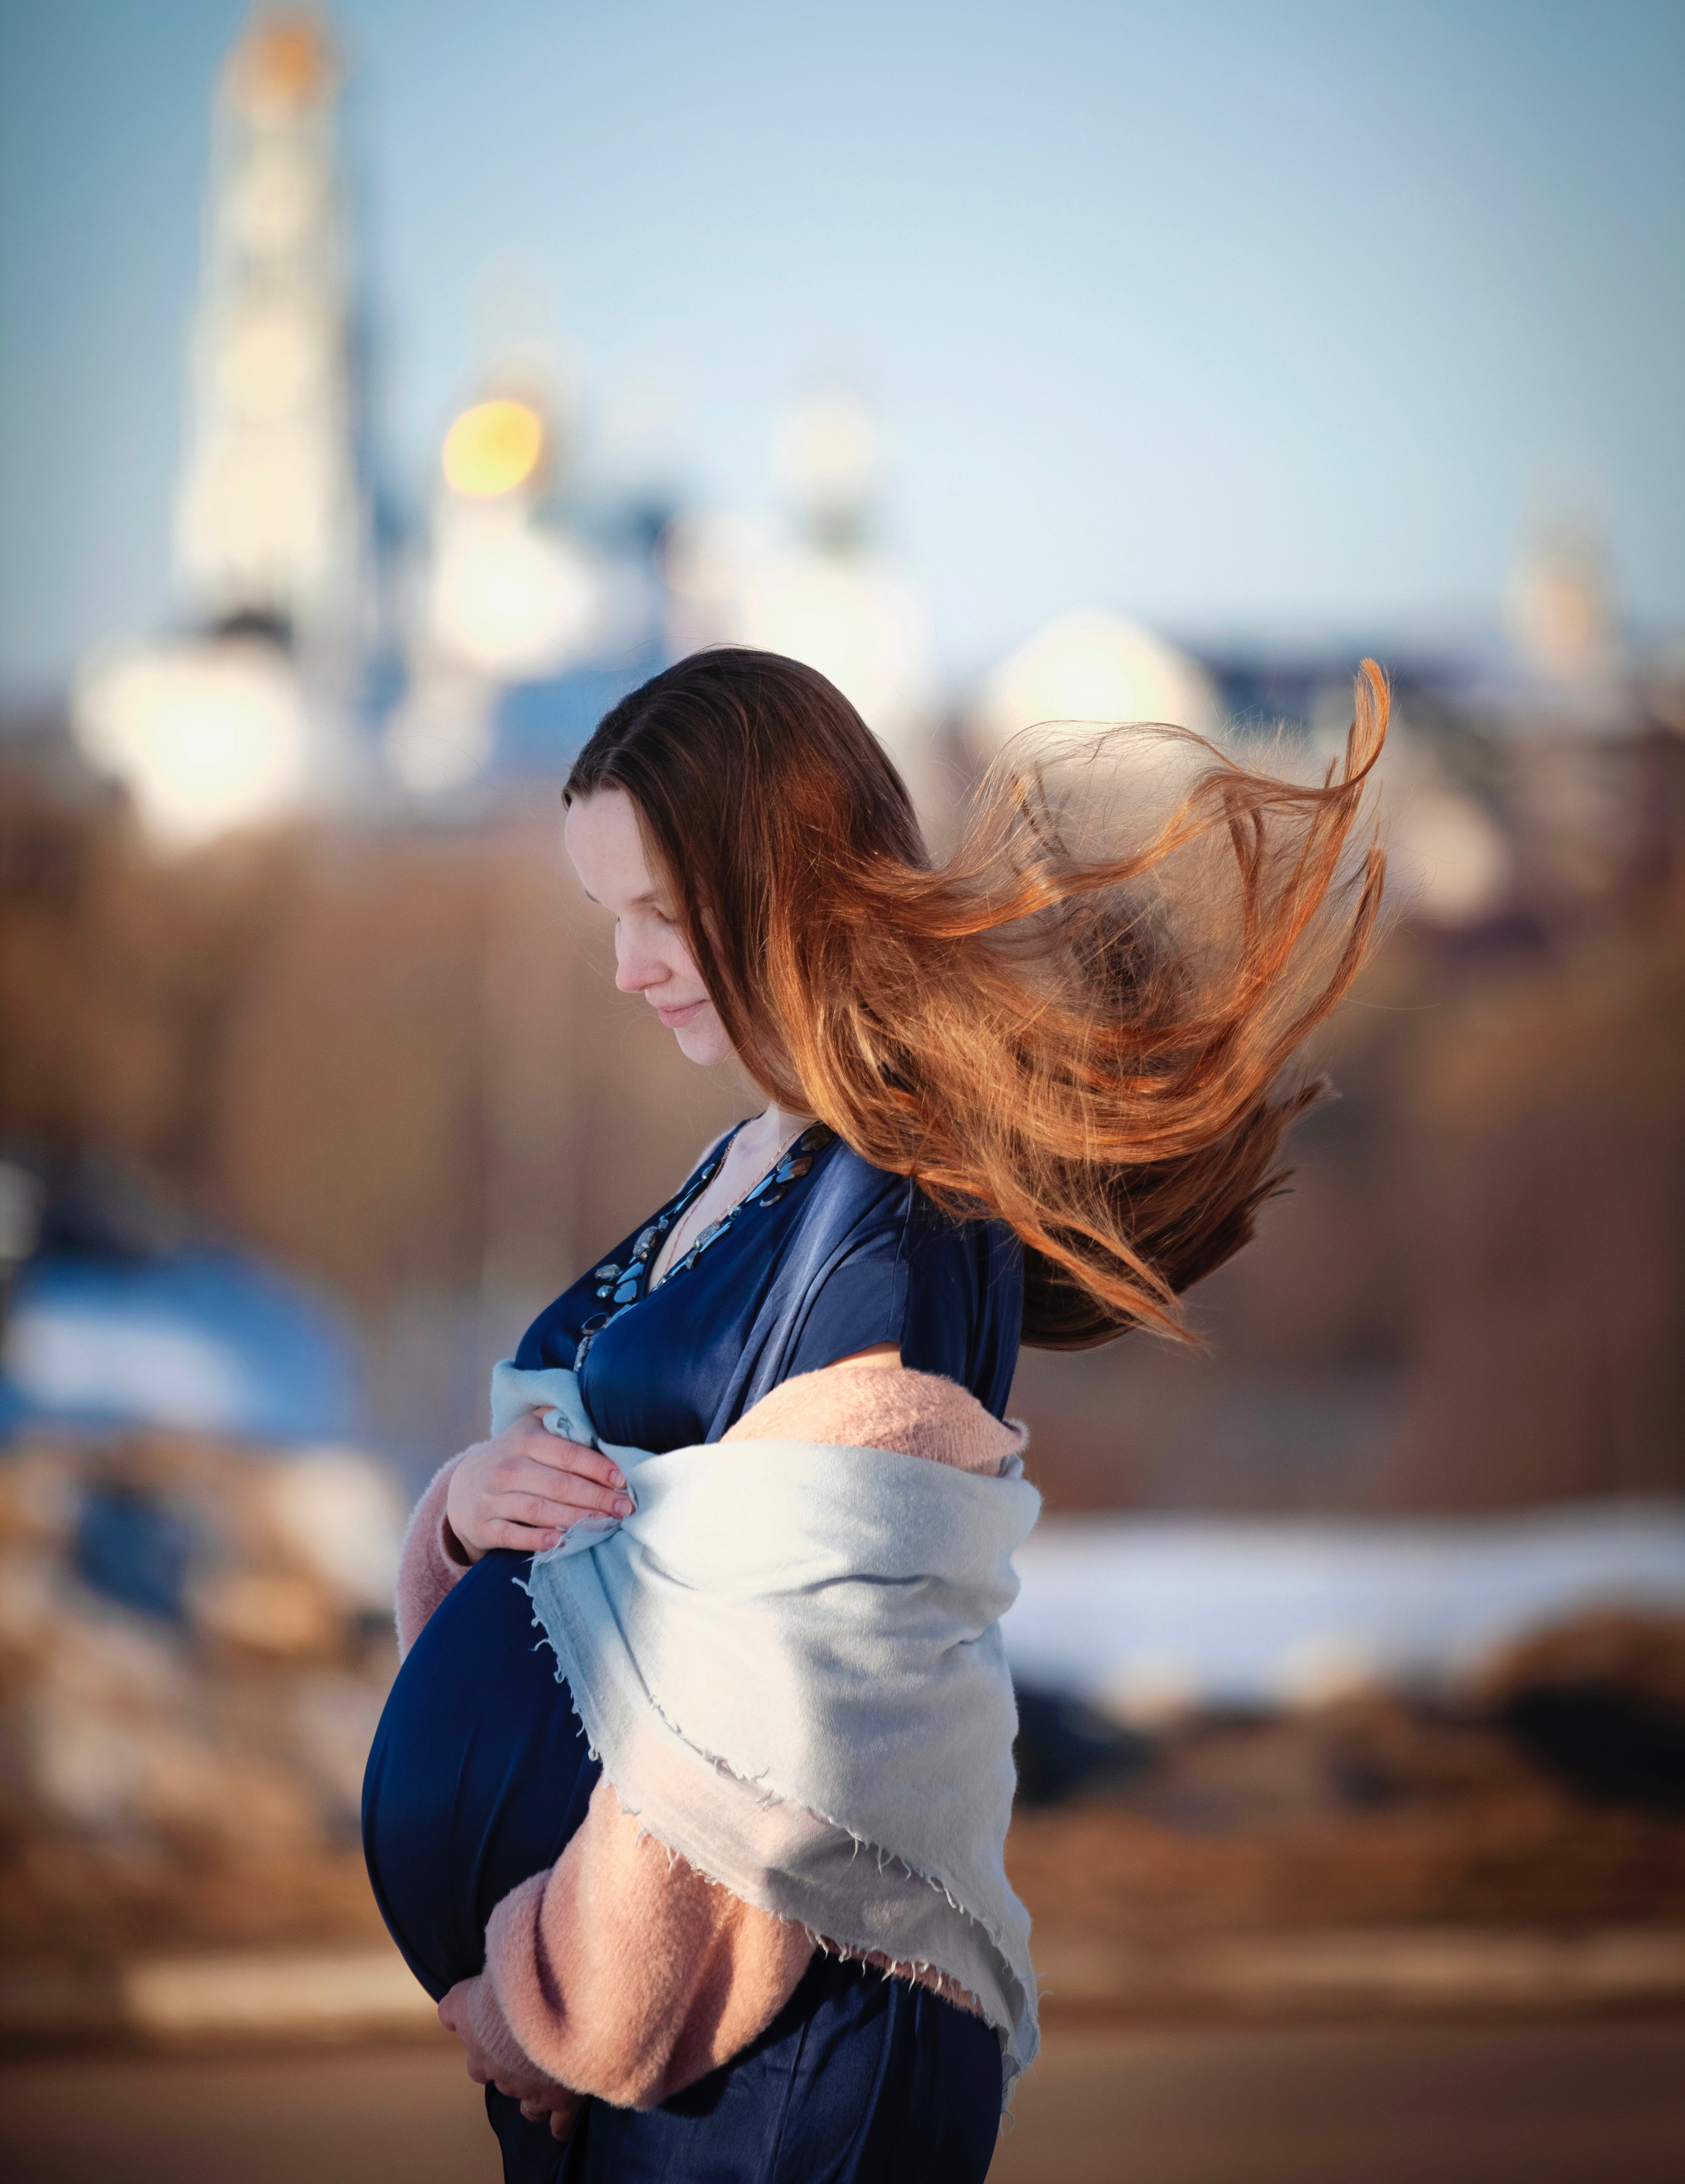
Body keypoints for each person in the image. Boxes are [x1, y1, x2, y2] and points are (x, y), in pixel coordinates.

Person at [363, 646, 1387, 2181]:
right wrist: (461, 1507)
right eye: (608, 918)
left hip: (777, 2054)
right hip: (681, 2054)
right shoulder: (754, 1172)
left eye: (662, 911)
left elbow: (795, 1719)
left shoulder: (889, 1224)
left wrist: (549, 2006)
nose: (628, 965)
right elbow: (606, 1532)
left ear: (784, 883)